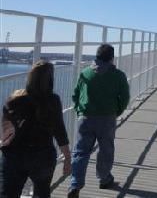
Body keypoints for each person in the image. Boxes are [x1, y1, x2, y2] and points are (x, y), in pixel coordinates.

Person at [1, 61, 71, 198]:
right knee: (42, 193)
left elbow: (5, 133)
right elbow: (60, 132)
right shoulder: (53, 101)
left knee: (8, 194)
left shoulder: (14, 99)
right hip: (43, 155)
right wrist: (67, 158)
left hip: (15, 155)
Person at [68, 44, 130, 198]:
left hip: (86, 117)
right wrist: (118, 111)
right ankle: (104, 179)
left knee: (81, 151)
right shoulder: (118, 75)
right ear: (111, 57)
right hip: (107, 117)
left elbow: (75, 94)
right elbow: (125, 97)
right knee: (105, 149)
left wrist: (79, 110)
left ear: (96, 56)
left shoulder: (86, 73)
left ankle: (75, 184)